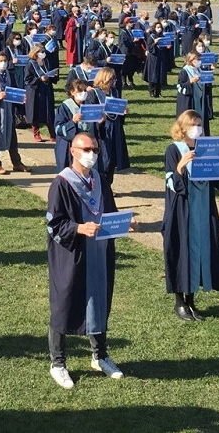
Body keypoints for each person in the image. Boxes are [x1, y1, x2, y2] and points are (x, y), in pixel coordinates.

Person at [45, 133, 130, 389]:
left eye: (95, 148)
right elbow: (54, 224)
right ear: (73, 151)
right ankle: (58, 363)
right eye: (86, 148)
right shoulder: (61, 184)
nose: (91, 153)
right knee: (64, 305)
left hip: (100, 252)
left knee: (99, 301)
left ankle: (100, 355)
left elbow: (110, 213)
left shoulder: (100, 181)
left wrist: (126, 223)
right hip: (72, 255)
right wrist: (79, 229)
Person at [163, 110, 219, 321]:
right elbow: (172, 184)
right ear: (183, 128)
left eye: (200, 125)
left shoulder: (206, 150)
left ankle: (191, 300)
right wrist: (181, 166)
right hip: (182, 211)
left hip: (204, 210)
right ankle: (179, 302)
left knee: (200, 251)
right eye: (193, 124)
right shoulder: (174, 150)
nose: (197, 129)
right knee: (181, 252)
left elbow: (218, 183)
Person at [175, 51, 213, 134]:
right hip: (190, 101)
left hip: (199, 99)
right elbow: (180, 86)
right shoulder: (184, 71)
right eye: (197, 59)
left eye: (200, 59)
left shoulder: (199, 69)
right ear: (190, 60)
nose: (199, 61)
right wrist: (190, 82)